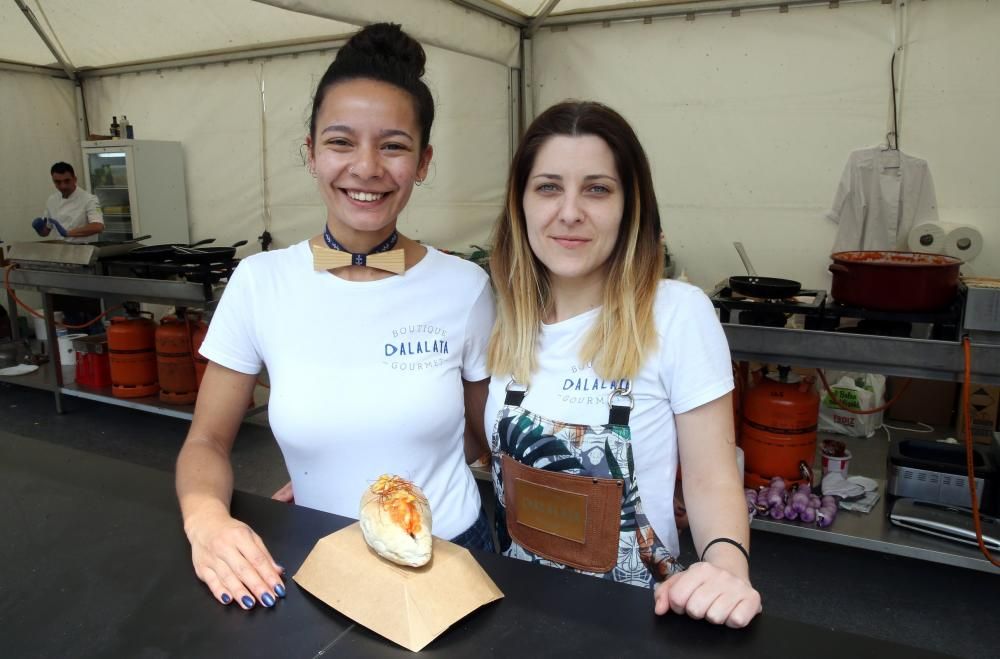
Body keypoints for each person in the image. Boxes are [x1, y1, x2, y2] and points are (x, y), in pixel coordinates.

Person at [175, 23, 495, 612]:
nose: (367, 167)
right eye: (342, 142)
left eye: (394, 145)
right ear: (311, 152)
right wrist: (207, 521)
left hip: (453, 553)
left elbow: (482, 440)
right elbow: (208, 441)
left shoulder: (465, 289)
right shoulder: (259, 283)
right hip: (320, 553)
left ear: (423, 162)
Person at [485, 101, 761, 628]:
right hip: (518, 606)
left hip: (635, 618)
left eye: (597, 188)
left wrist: (726, 567)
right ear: (519, 204)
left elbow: (711, 478)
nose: (569, 211)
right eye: (547, 187)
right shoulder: (502, 316)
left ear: (630, 206)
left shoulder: (677, 313)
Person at [31, 162, 104, 243]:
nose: (63, 186)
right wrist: (39, 228)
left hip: (83, 250)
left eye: (67, 181)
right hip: (60, 250)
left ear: (75, 179)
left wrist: (68, 233)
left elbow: (98, 226)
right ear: (53, 181)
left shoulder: (89, 199)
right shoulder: (52, 200)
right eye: (58, 182)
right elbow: (46, 232)